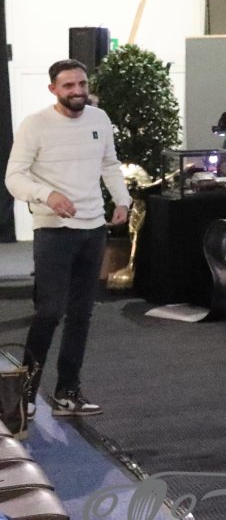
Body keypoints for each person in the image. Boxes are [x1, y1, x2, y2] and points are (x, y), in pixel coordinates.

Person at [3, 59, 130, 417]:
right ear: (53, 89)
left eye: (82, 84)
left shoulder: (99, 119)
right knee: (49, 312)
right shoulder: (35, 125)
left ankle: (67, 392)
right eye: (69, 85)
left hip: (93, 228)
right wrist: (47, 195)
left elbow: (109, 164)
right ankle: (24, 395)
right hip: (53, 230)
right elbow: (14, 177)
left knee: (81, 314)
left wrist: (122, 199)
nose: (77, 91)